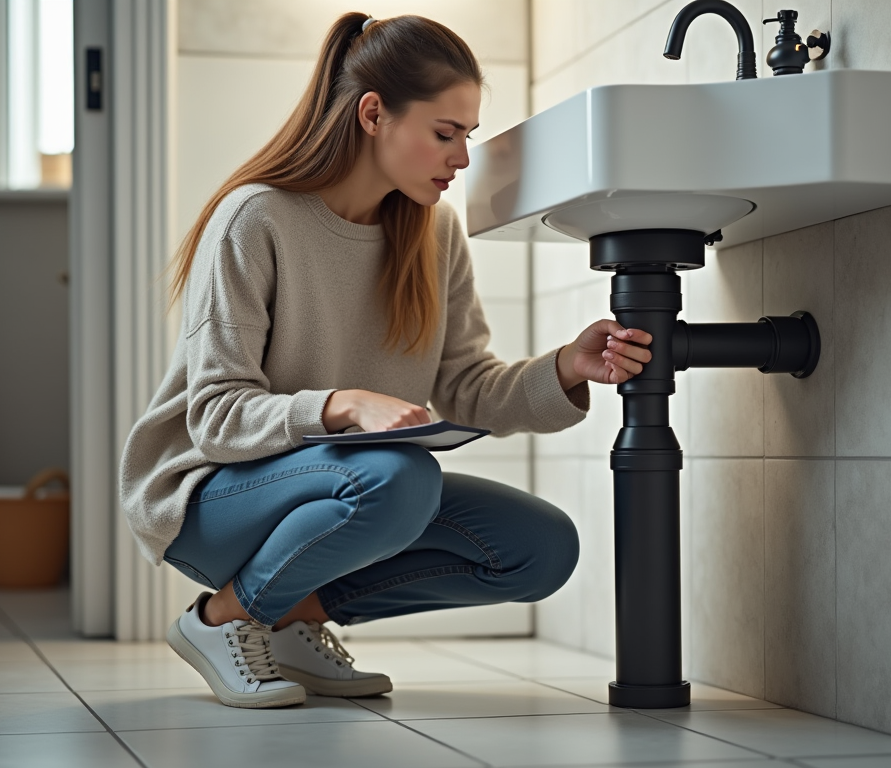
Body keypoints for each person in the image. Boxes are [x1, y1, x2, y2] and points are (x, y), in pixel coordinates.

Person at [118, 12, 654, 709]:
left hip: (340, 489)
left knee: (540, 546)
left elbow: (465, 385)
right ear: (374, 114)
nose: (462, 157)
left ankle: (295, 618)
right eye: (445, 133)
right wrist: (342, 405)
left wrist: (565, 369)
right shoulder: (257, 218)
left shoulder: (433, 234)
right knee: (400, 477)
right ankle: (223, 618)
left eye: (467, 134)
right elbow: (216, 416)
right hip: (209, 497)